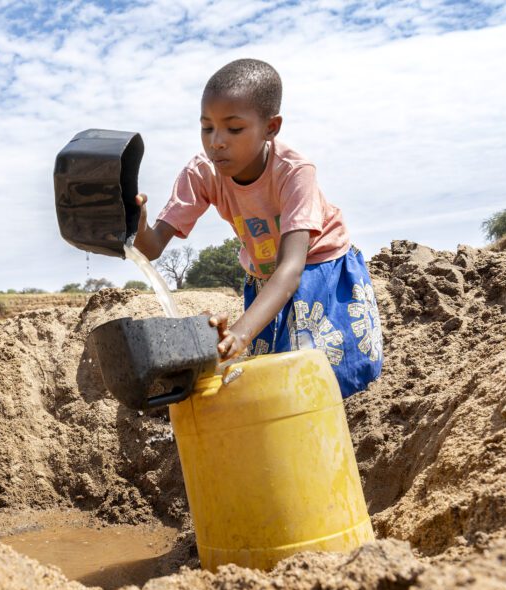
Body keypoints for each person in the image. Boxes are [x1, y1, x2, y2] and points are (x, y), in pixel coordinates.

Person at [133, 58, 382, 398]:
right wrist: (138, 221)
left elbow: (291, 269)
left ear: (271, 127)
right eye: (207, 128)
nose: (216, 142)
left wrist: (239, 333)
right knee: (273, 378)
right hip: (264, 277)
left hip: (321, 268)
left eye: (233, 129)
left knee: (324, 373)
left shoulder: (294, 172)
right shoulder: (201, 173)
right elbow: (151, 248)